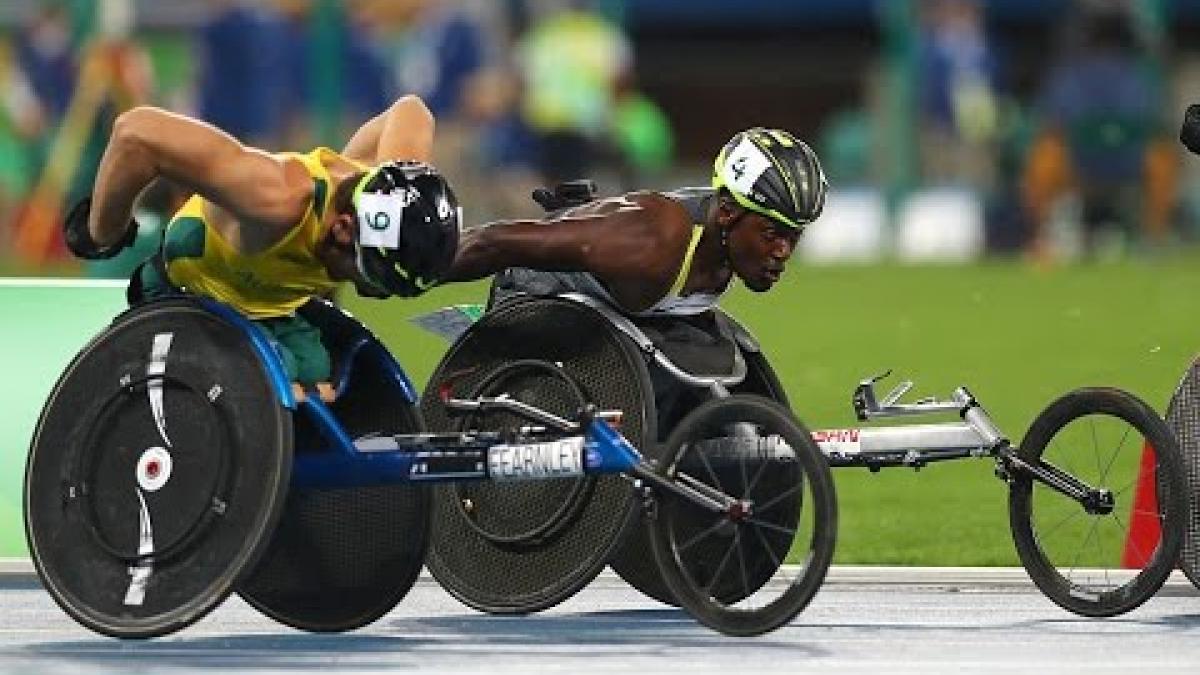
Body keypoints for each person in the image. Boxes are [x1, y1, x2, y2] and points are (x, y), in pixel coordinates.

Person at [61, 95, 462, 402]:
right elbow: (135, 133)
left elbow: (412, 110)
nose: (369, 292)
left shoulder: (385, 195)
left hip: (266, 309)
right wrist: (104, 232)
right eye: (367, 276)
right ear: (342, 227)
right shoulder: (275, 197)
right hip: (189, 292)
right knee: (282, 377)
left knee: (327, 372)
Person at [444, 127, 827, 430]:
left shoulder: (725, 247)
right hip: (532, 300)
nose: (783, 252)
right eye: (773, 234)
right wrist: (412, 271)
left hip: (617, 322)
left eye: (794, 236)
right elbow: (496, 243)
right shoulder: (656, 239)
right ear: (727, 213)